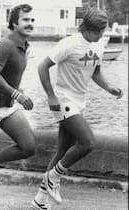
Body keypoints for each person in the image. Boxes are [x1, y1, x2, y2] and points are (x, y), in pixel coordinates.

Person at [31, 9, 123, 209]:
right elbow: (42, 67)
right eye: (98, 32)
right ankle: (53, 177)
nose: (101, 36)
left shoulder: (97, 44)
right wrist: (50, 96)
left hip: (79, 101)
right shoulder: (68, 44)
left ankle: (40, 199)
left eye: (102, 31)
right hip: (63, 99)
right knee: (88, 142)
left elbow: (96, 71)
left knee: (63, 150)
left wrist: (109, 88)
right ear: (87, 29)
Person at [0, 3, 36, 178]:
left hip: (7, 107)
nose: (30, 23)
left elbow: (8, 73)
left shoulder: (24, 46)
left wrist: (16, 89)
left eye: (32, 19)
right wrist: (17, 94)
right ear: (14, 23)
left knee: (28, 147)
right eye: (25, 20)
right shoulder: (5, 45)